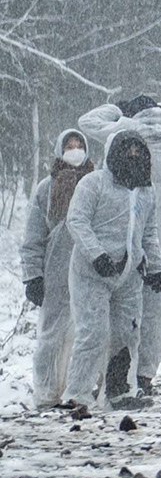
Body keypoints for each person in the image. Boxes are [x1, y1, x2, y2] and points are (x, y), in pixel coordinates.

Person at [59, 130, 161, 415]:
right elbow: (77, 220)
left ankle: (118, 392)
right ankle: (77, 394)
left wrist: (156, 266)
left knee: (126, 334)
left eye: (138, 153)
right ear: (115, 154)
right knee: (92, 332)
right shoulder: (94, 184)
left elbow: (149, 231)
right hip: (90, 273)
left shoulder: (145, 191)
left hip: (128, 274)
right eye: (127, 152)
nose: (133, 158)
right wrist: (97, 255)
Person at [22, 128, 94, 406]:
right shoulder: (46, 188)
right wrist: (33, 275)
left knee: (85, 332)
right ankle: (46, 391)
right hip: (55, 270)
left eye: (79, 144)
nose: (74, 149)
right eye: (69, 145)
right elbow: (33, 236)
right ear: (59, 150)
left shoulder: (95, 183)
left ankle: (76, 390)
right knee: (52, 334)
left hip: (89, 269)